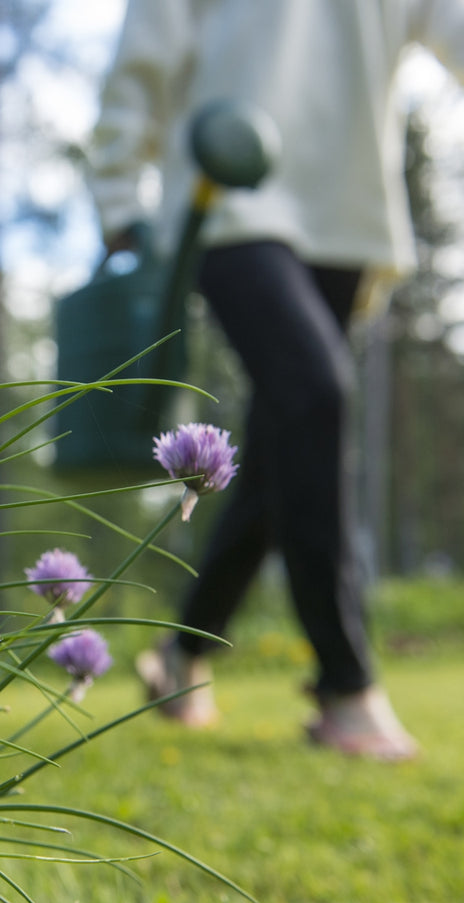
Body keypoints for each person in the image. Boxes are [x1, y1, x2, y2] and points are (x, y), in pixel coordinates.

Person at [87, 0, 464, 761]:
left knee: (277, 452)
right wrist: (120, 194)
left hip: (349, 214)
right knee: (315, 392)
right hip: (226, 191)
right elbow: (143, 56)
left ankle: (181, 653)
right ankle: (344, 681)